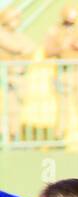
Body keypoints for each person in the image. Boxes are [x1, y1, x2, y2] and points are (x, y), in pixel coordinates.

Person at [43, 5, 78, 144]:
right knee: (63, 105)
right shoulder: (54, 31)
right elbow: (47, 51)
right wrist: (62, 47)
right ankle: (60, 135)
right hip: (63, 71)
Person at [0, 7, 35, 143]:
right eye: (13, 18)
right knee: (3, 108)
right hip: (4, 77)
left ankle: (14, 135)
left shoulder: (17, 35)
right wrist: (20, 52)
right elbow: (15, 47)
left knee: (15, 107)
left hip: (15, 77)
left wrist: (21, 53)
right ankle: (4, 136)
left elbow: (31, 47)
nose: (16, 21)